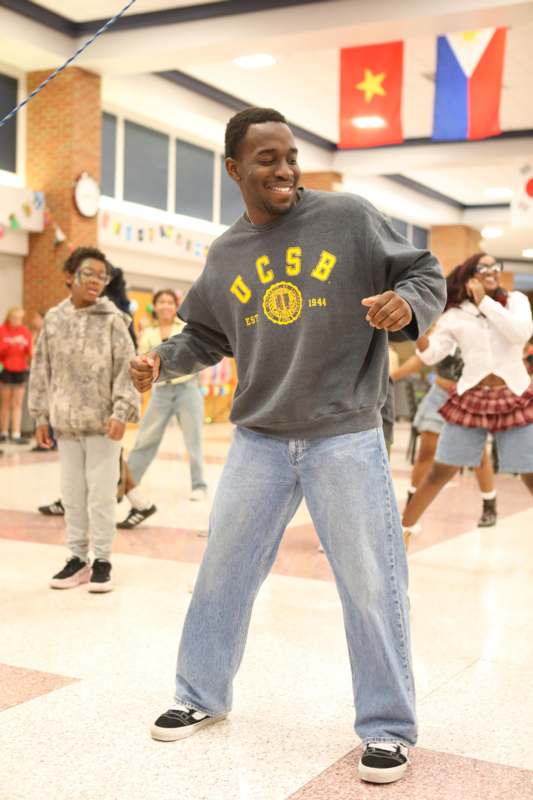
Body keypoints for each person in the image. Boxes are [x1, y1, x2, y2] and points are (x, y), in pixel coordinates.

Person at [130, 107, 446, 785]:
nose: (284, 170)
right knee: (222, 574)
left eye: (290, 156)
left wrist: (404, 304)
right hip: (259, 439)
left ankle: (388, 728)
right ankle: (200, 696)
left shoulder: (347, 218)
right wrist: (165, 360)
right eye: (267, 158)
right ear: (233, 169)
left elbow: (424, 271)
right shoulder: (226, 253)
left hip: (344, 433)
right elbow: (205, 335)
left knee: (370, 582)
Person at [29, 247, 139, 593]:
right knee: (72, 494)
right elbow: (41, 368)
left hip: (104, 424)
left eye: (101, 276)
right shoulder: (54, 319)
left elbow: (127, 369)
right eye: (88, 273)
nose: (95, 281)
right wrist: (41, 415)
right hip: (66, 423)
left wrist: (121, 411)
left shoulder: (113, 319)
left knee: (102, 495)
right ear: (69, 276)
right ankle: (76, 558)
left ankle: (102, 560)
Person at [402, 253, 533, 538]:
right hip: (471, 396)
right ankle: (402, 533)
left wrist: (484, 302)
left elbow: (520, 333)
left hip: (513, 396)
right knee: (441, 470)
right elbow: (432, 353)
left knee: (531, 473)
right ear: (470, 274)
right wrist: (418, 327)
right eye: (482, 267)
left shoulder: (516, 302)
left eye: (495, 266)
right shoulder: (456, 314)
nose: (491, 271)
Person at [118, 288, 207, 530]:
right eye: (161, 302)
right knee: (146, 439)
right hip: (161, 392)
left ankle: (199, 485)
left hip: (187, 389)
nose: (166, 306)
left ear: (175, 305)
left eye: (170, 302)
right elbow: (143, 358)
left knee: (194, 440)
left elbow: (194, 354)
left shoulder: (184, 329)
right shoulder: (147, 332)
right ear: (155, 306)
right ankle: (126, 485)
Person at [391, 344, 497, 530]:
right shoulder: (445, 327)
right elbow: (420, 360)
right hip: (439, 396)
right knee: (427, 452)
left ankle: (490, 506)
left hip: (469, 399)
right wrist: (390, 378)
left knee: (478, 455)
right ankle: (411, 506)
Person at [0, 306, 33, 445]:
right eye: (14, 318)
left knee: (17, 403)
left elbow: (30, 351)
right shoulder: (3, 330)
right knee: (6, 402)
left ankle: (16, 433)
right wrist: (10, 344)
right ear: (9, 317)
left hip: (20, 369)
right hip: (6, 369)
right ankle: (4, 432)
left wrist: (24, 345)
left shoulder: (24, 331)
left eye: (20, 318)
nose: (17, 321)